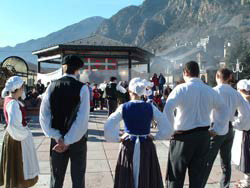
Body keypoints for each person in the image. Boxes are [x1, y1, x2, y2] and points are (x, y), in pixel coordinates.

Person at [164, 61, 229, 188]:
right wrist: (217, 128)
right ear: (198, 73)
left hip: (182, 138)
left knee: (175, 177)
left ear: (185, 72)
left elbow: (168, 108)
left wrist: (170, 130)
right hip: (203, 137)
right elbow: (224, 109)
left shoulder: (181, 89)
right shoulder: (209, 91)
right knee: (197, 178)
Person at [104, 77, 173, 188]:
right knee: (146, 175)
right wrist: (156, 136)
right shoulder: (150, 107)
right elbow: (168, 128)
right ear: (142, 92)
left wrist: (116, 138)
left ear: (130, 91)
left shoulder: (123, 107)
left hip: (129, 145)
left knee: (127, 176)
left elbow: (108, 125)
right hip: (146, 145)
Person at [39, 55, 90, 188]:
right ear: (77, 70)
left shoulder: (52, 86)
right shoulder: (82, 88)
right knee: (78, 178)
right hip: (77, 140)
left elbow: (44, 115)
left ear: (64, 67)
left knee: (56, 178)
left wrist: (57, 136)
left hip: (56, 139)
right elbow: (82, 119)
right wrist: (68, 140)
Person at [203, 69, 250, 188]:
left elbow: (204, 112)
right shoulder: (235, 93)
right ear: (229, 77)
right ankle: (225, 186)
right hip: (229, 128)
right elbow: (245, 114)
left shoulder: (212, 91)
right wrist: (236, 123)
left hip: (214, 129)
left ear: (217, 77)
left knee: (207, 160)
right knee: (226, 161)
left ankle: (200, 184)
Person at [0, 76, 39, 187]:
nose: (23, 89)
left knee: (16, 166)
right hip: (16, 139)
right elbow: (13, 125)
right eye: (23, 87)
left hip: (13, 136)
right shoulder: (13, 103)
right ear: (19, 88)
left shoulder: (10, 100)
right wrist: (25, 133)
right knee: (19, 166)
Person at [231, 79, 250, 188]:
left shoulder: (244, 102)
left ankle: (247, 182)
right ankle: (246, 180)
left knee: (246, 159)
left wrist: (233, 123)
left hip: (246, 133)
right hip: (245, 131)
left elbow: (244, 121)